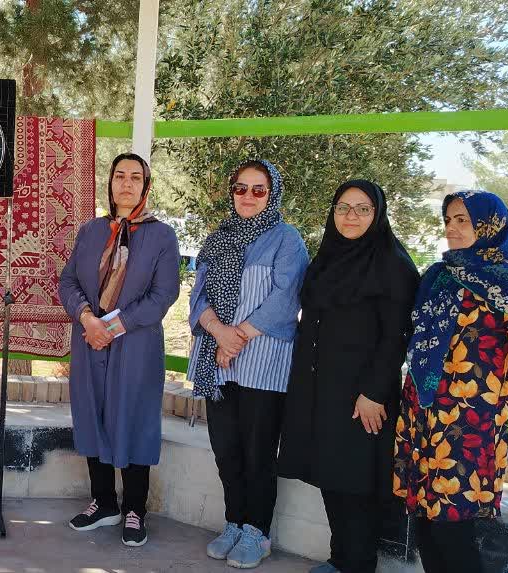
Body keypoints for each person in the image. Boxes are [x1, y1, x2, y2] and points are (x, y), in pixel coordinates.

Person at [392, 190, 508, 573]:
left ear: (489, 225)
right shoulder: (437, 275)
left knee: (452, 524)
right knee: (425, 520)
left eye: (463, 220)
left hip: (469, 419)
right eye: (448, 220)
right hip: (423, 411)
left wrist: (488, 393)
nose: (452, 228)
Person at [276, 180, 420, 573]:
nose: (351, 216)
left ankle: (357, 564)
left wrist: (374, 392)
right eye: (343, 207)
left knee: (356, 482)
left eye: (362, 208)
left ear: (378, 214)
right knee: (331, 474)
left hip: (362, 395)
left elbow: (396, 337)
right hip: (322, 388)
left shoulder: (392, 265)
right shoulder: (329, 257)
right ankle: (340, 559)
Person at [188, 159, 308, 570]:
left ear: (272, 194)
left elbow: (286, 298)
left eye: (259, 189)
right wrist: (219, 334)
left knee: (259, 453)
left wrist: (235, 336)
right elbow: (198, 297)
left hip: (263, 364)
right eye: (241, 188)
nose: (249, 196)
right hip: (217, 361)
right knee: (226, 450)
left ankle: (258, 531)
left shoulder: (286, 239)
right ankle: (234, 522)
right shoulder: (218, 238)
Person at [59, 153, 180, 547]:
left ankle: (134, 509)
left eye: (135, 177)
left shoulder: (162, 236)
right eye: (119, 176)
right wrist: (87, 318)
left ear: (146, 185)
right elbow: (68, 282)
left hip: (135, 344)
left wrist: (110, 326)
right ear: (110, 183)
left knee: (134, 417)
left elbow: (164, 294)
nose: (126, 184)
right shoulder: (91, 231)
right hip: (89, 342)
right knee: (92, 414)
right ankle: (104, 502)